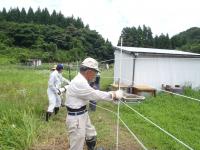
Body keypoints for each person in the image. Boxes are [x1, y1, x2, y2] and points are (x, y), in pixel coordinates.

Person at [60, 57, 123, 150]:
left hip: (82, 113)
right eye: (95, 72)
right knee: (77, 145)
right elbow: (94, 94)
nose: (95, 75)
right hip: (76, 118)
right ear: (89, 71)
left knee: (91, 134)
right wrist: (113, 95)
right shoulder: (80, 82)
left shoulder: (81, 79)